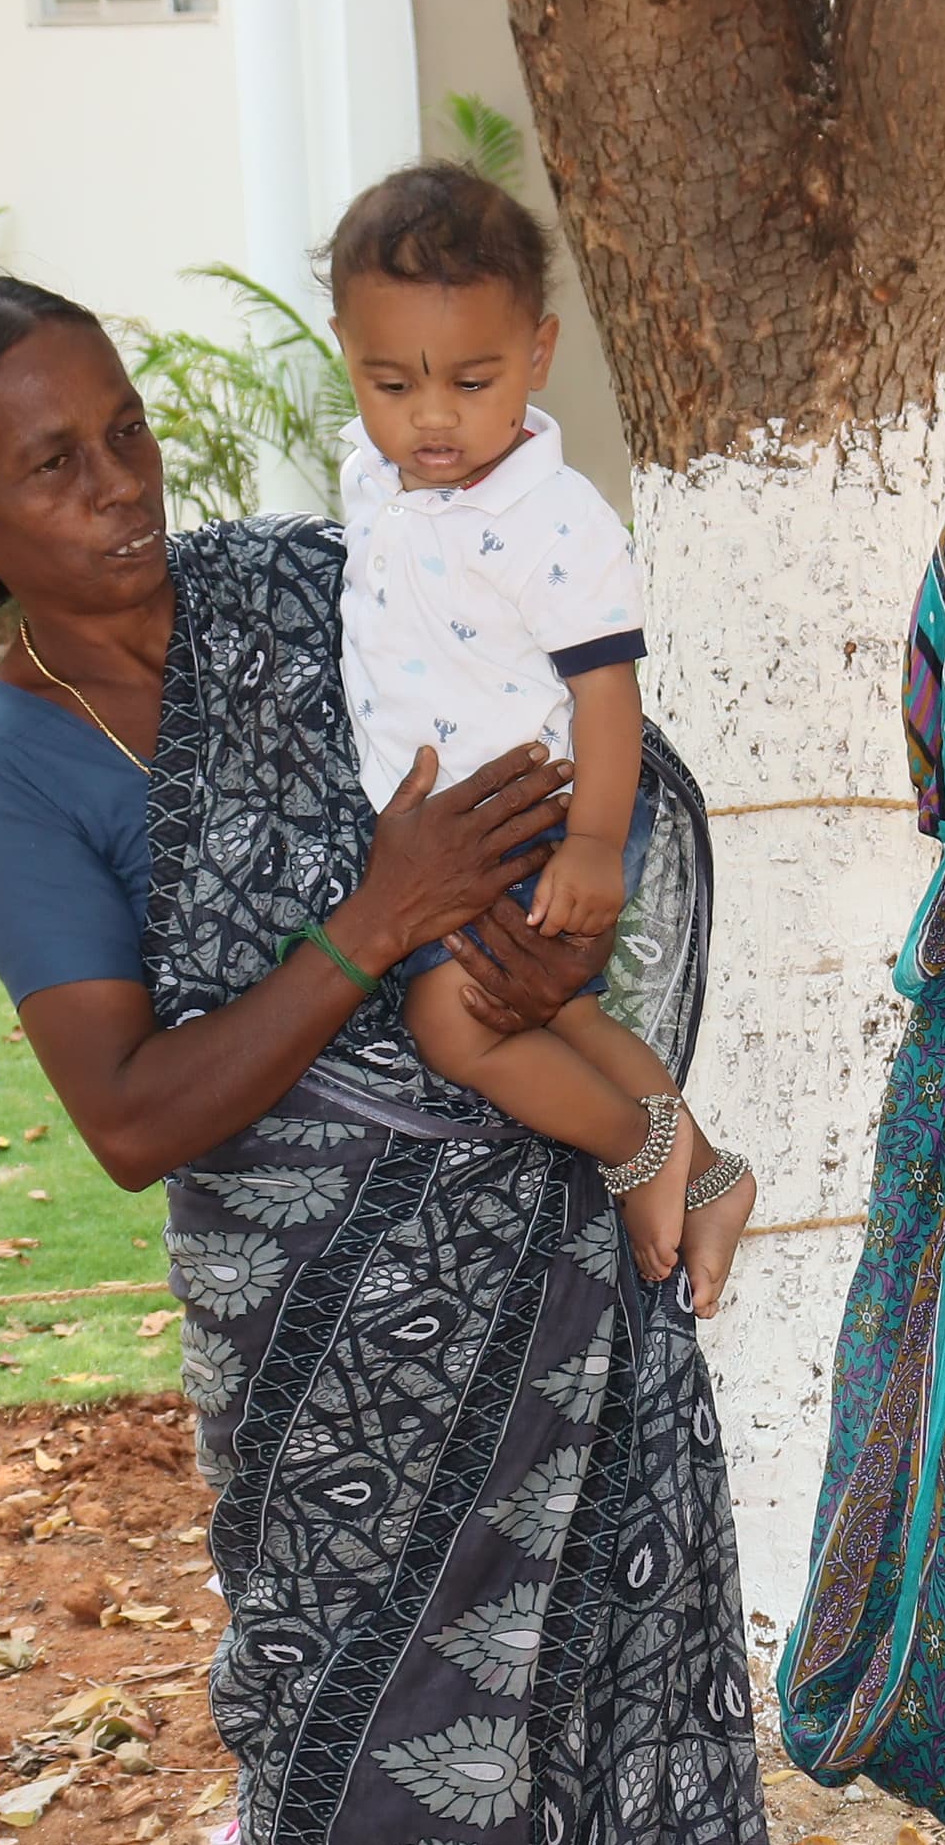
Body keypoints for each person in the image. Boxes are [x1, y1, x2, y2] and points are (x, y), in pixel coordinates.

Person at [0, 273, 809, 1845]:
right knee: (365, 1746)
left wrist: (559, 942)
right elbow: (130, 1112)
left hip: (545, 1243)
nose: (121, 488)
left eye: (124, 430)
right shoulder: (16, 770)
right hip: (325, 1348)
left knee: (563, 1707)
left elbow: (592, 754)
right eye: (55, 465)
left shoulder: (331, 576)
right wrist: (367, 923)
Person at [321, 161, 756, 1308]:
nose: (432, 418)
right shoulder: (374, 478)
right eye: (390, 381)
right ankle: (708, 1170)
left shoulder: (555, 521)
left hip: (537, 814)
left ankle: (638, 1149)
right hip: (449, 833)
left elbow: (609, 694)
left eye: (473, 381)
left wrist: (596, 845)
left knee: (453, 1017)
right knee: (549, 1006)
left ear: (539, 355)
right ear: (344, 352)